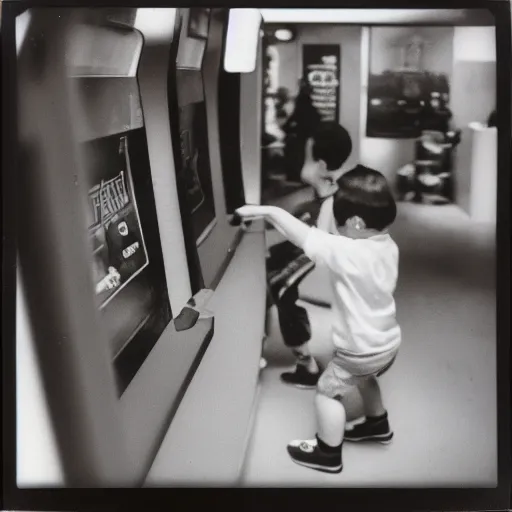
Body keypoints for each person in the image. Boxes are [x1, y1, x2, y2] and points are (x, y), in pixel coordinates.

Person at [237, 166, 401, 474]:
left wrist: (268, 210)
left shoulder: (348, 251)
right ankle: (378, 425)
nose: (335, 229)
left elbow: (303, 236)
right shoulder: (388, 245)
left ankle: (327, 452)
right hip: (388, 342)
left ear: (356, 222)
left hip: (360, 349)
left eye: (339, 223)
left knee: (328, 390)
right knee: (367, 377)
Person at [266, 122, 353, 389]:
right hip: (316, 257)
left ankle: (306, 364)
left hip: (320, 264)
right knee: (275, 273)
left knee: (279, 285)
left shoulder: (328, 203)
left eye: (307, 157)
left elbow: (318, 243)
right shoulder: (322, 196)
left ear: (322, 165)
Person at [283, 80, 322, 182]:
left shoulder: (300, 105)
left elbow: (293, 119)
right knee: (303, 156)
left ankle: (294, 175)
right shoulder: (310, 108)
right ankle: (300, 175)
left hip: (300, 135)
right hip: (306, 135)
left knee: (296, 155)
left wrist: (289, 129)